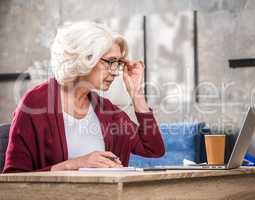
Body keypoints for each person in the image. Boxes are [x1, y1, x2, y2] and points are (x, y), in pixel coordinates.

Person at [3, 21, 165, 173]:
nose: (115, 71)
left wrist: (135, 93)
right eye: (110, 62)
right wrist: (73, 165)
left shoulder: (106, 109)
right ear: (84, 58)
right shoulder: (34, 103)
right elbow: (13, 179)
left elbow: (153, 149)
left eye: (118, 64)